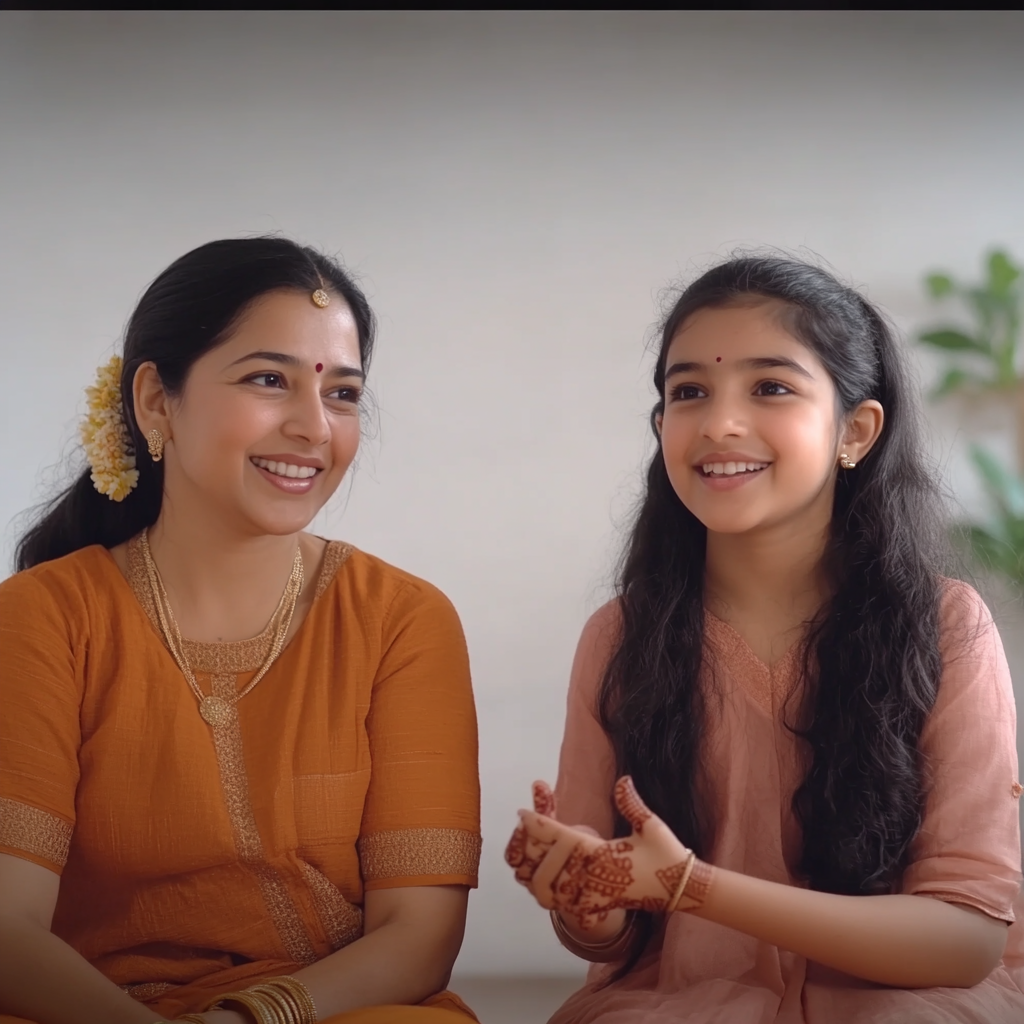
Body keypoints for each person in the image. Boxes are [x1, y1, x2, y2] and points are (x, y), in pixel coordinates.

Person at [505, 255, 1024, 1023]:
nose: (719, 423)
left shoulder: (945, 626)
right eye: (689, 393)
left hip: (908, 1004)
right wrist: (585, 896)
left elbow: (965, 942)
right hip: (677, 1005)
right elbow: (608, 945)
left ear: (856, 430)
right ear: (661, 429)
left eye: (770, 387)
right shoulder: (620, 637)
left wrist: (695, 887)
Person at [0, 238, 481, 1024]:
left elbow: (419, 937)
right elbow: (7, 932)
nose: (313, 427)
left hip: (327, 1012)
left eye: (344, 395)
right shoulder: (44, 618)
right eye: (268, 379)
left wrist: (249, 1019)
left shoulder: (402, 622)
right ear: (156, 400)